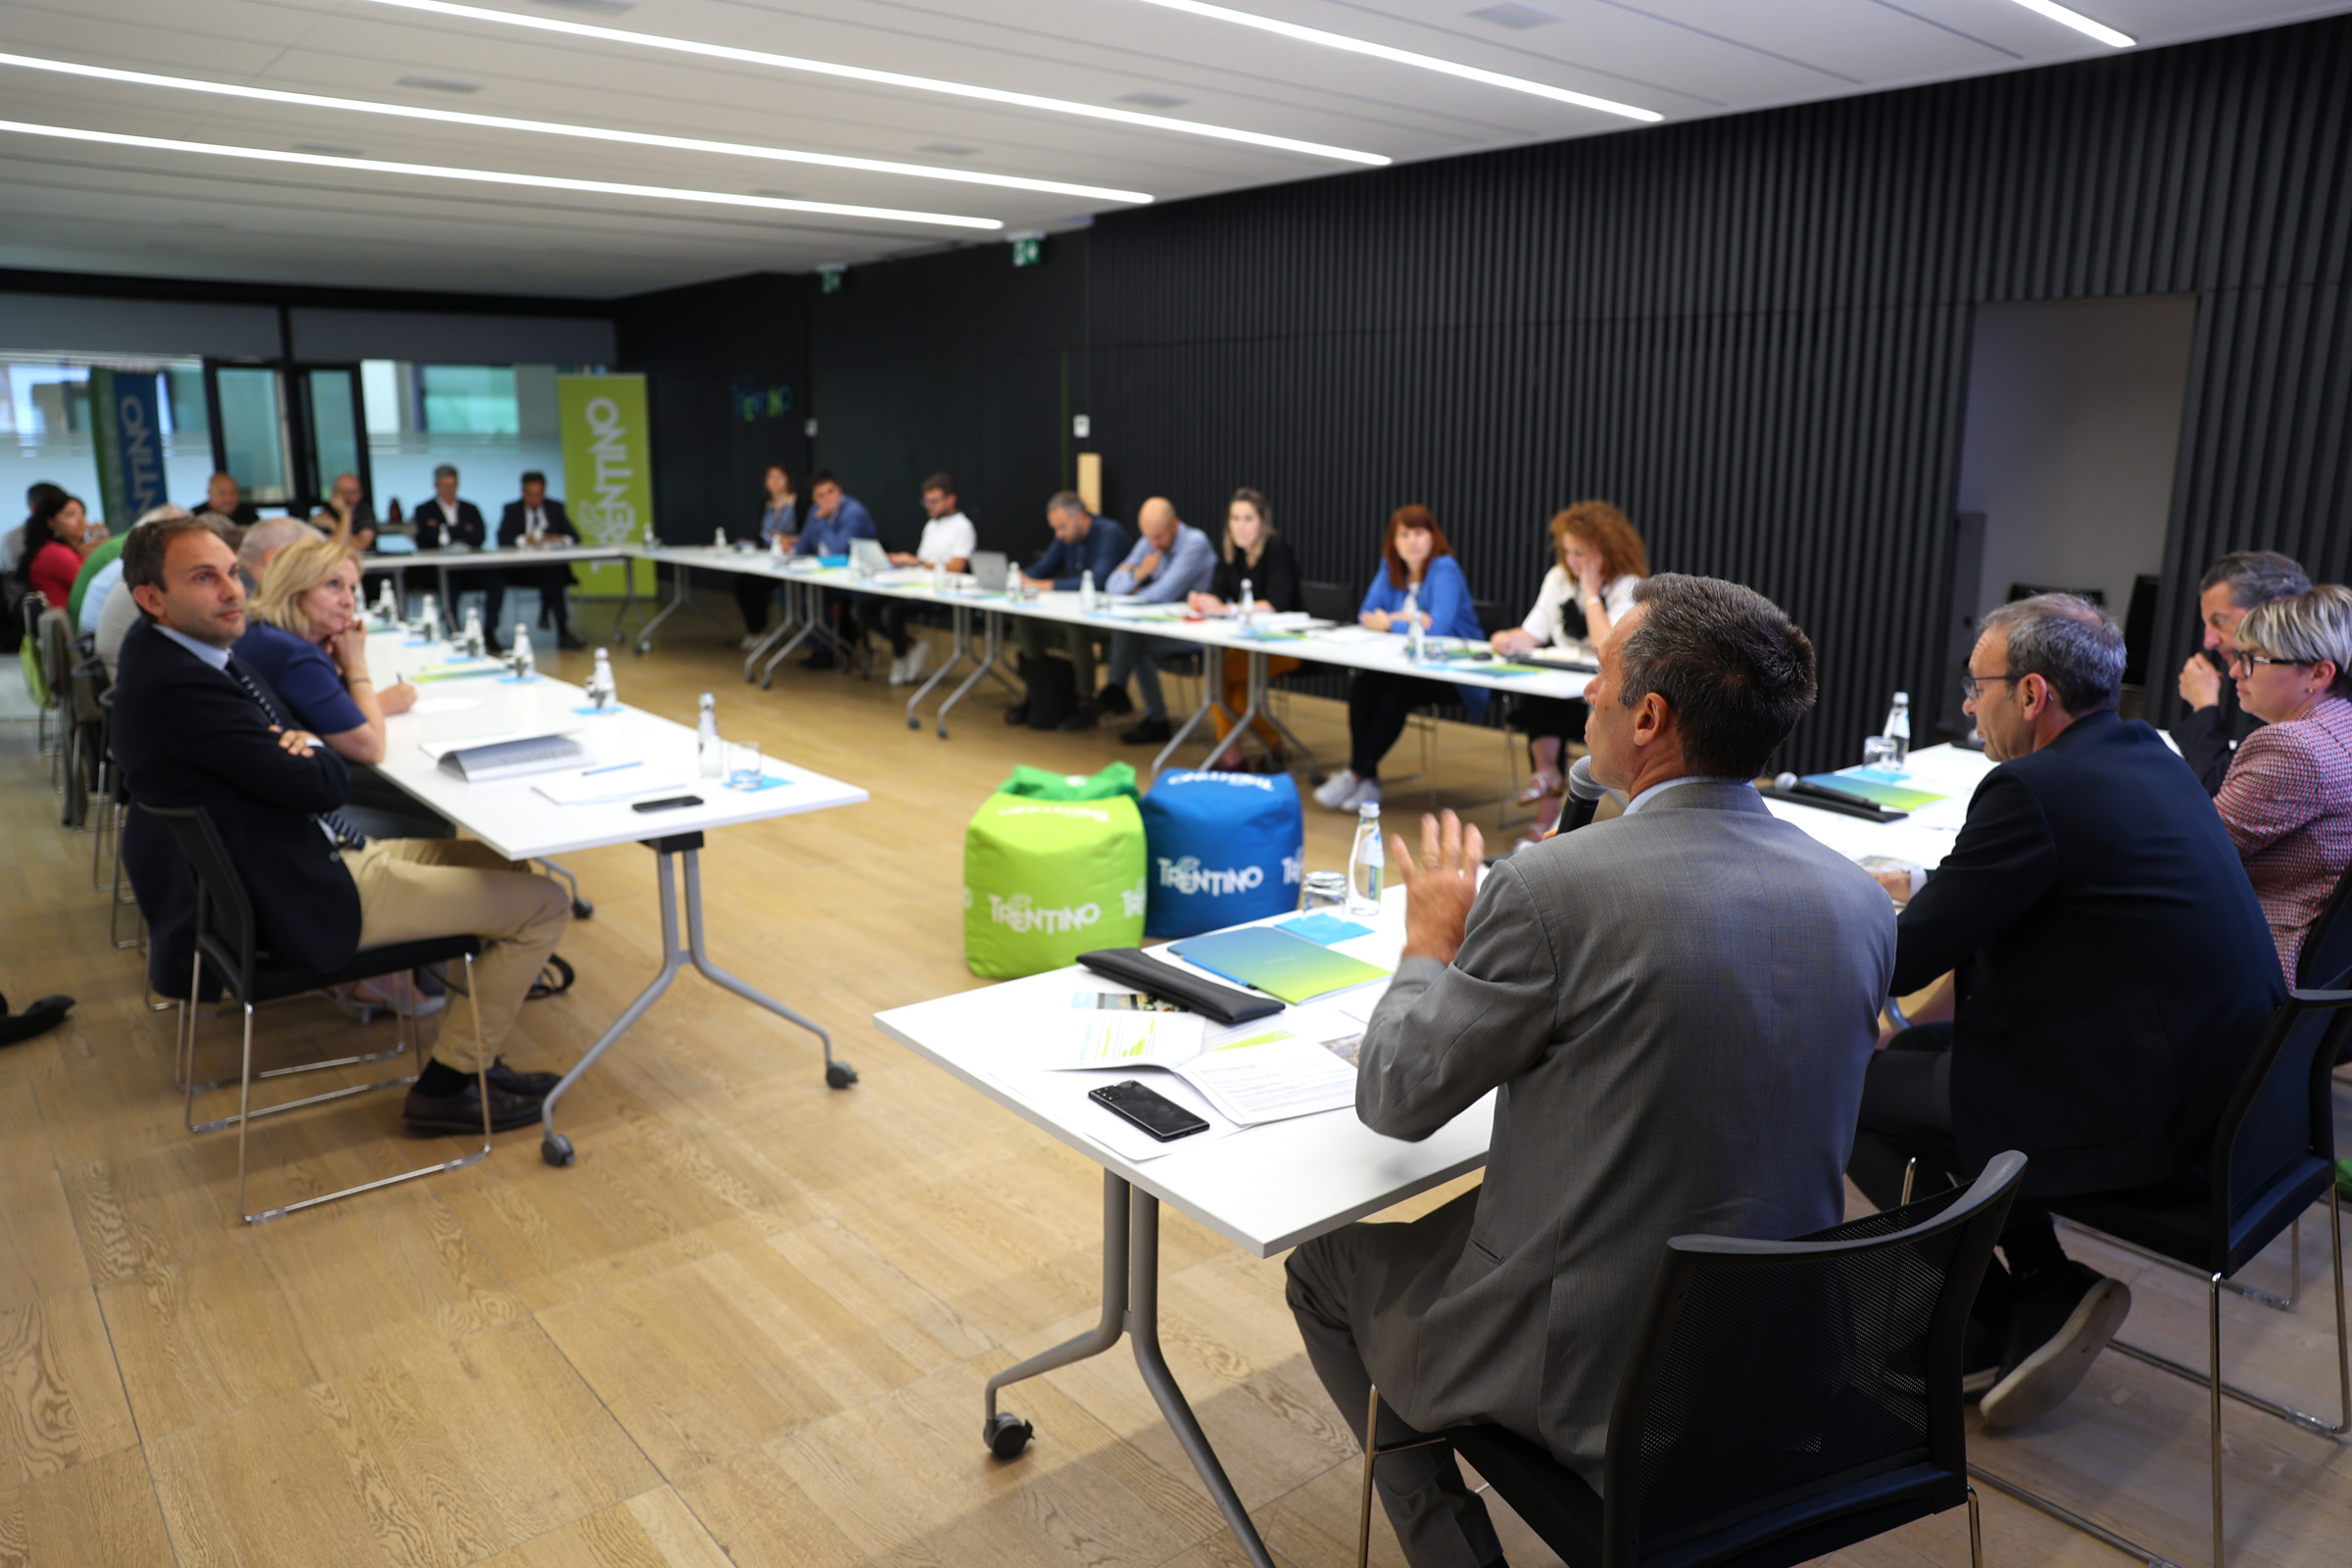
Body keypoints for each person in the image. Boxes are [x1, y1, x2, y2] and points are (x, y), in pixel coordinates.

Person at [1286, 575, 1893, 1568]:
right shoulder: (1859, 899)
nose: (1584, 692)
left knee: (1322, 1269)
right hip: (1781, 1360)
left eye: (1601, 673)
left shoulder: (1549, 891)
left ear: (1648, 717)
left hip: (1599, 1381)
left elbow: (1394, 1095)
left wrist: (1430, 943)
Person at [1848, 594, 2283, 1431]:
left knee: (1848, 1095)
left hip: (2149, 1121)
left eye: (1976, 687)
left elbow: (1906, 956)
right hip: (2232, 1103)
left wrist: (1826, 912)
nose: (1968, 706)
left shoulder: (2030, 789)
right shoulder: (2148, 754)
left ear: (2032, 693)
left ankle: (1993, 1303)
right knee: (1910, 1056)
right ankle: (2037, 1287)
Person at [111, 515, 570, 1134]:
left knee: (506, 866)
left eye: (232, 572)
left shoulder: (173, 654)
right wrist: (305, 746)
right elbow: (328, 779)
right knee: (544, 904)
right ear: (152, 598)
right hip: (302, 892)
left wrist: (299, 744)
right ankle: (449, 1087)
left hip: (299, 856)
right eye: (203, 578)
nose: (231, 590)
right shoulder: (184, 686)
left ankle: (476, 1054)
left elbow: (295, 744)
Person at [238, 536, 440, 1010]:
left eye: (352, 588)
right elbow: (368, 745)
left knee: (413, 801)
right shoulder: (295, 654)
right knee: (428, 820)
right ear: (295, 590)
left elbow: (334, 723)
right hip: (294, 823)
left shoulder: (264, 636)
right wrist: (356, 663)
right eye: (333, 585)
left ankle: (396, 964)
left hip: (263, 808)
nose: (348, 600)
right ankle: (389, 972)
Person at [2214, 584, 2352, 982]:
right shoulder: (2340, 729)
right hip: (2328, 976)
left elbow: (2200, 851)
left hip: (2262, 961)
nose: (2235, 671)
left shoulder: (2293, 746)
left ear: (2319, 673)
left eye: (2253, 658)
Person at [1312, 506, 1486, 812]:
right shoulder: (1391, 566)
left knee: (1398, 693)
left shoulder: (1444, 568)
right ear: (1393, 541)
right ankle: (1369, 780)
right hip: (1405, 664)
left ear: (1433, 536)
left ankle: (1355, 773)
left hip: (1456, 669)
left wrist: (1390, 621)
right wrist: (1409, 619)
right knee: (1363, 687)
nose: (1411, 541)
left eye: (1419, 533)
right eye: (1403, 534)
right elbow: (1367, 614)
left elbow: (1438, 628)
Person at [1492, 502, 1648, 840]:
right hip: (1560, 687)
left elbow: (1607, 646)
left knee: (1556, 704)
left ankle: (1550, 808)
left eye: (1582, 554)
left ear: (1605, 550)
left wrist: (1591, 592)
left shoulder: (1628, 585)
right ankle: (1547, 786)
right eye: (1568, 552)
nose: (1573, 562)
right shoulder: (1558, 578)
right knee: (1538, 695)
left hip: (1602, 694)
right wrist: (1506, 639)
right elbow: (1533, 631)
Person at [2175, 551, 2311, 795]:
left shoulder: (2293, 698)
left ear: (2273, 612)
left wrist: (2204, 703)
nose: (2209, 642)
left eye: (2219, 621)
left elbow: (2219, 792)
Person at [1188, 487, 1303, 770]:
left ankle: (1232, 755)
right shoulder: (1232, 554)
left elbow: (1275, 604)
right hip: (1248, 645)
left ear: (1263, 522)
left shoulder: (1276, 549)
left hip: (1286, 644)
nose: (1240, 526)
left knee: (1216, 676)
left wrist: (1227, 609)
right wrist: (1203, 600)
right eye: (1235, 518)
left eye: (1248, 519)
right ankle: (1268, 747)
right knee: (1238, 699)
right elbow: (1217, 591)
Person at [1094, 497, 1216, 741]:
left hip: (1198, 632)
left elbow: (1163, 593)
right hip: (1164, 626)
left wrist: (1135, 589)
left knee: (1134, 637)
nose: (1153, 544)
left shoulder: (1195, 543)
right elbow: (1111, 586)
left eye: (1159, 537)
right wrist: (1138, 574)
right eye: (1148, 537)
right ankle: (1147, 713)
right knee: (1133, 635)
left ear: (1175, 524)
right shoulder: (1149, 541)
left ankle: (1122, 692)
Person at [1004, 493, 1129, 726]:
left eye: (1062, 527)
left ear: (1080, 517)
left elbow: (1098, 581)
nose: (1058, 534)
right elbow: (1043, 567)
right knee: (1025, 621)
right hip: (1076, 612)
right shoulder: (1066, 538)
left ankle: (1086, 701)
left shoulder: (1109, 534)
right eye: (1055, 528)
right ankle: (1039, 691)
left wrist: (1046, 585)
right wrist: (1020, 578)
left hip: (1110, 619)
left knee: (1075, 627)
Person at [858, 471, 975, 686]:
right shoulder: (931, 525)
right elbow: (922, 561)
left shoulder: (963, 527)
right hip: (916, 586)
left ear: (951, 499)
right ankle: (910, 645)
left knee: (892, 612)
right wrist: (900, 562)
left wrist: (916, 562)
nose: (929, 506)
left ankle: (899, 656)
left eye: (934, 501)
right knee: (863, 609)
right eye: (926, 501)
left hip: (941, 592)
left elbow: (957, 567)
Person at [486, 472, 586, 651]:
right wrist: (525, 540)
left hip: (548, 569)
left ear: (544, 492)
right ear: (523, 492)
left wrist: (556, 538)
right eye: (530, 494)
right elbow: (503, 538)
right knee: (495, 578)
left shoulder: (555, 508)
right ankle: (490, 633)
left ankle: (563, 631)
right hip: (519, 570)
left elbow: (575, 537)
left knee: (555, 575)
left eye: (539, 494)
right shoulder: (512, 510)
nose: (535, 498)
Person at [790, 472, 878, 670]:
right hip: (826, 577)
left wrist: (822, 522)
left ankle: (831, 649)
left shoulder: (853, 512)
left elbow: (839, 550)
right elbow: (801, 547)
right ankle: (819, 645)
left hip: (854, 580)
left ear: (839, 490)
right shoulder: (814, 511)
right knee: (788, 593)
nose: (827, 498)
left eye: (831, 492)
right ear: (814, 499)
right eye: (821, 495)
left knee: (811, 598)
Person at [735, 464, 802, 646]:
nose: (775, 481)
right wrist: (751, 543)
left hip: (790, 559)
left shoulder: (798, 503)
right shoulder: (765, 506)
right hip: (767, 558)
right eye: (771, 477)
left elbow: (807, 534)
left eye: (780, 476)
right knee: (742, 582)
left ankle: (761, 629)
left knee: (756, 585)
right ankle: (756, 630)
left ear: (788, 479)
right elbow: (760, 534)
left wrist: (785, 539)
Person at [17, 490, 100, 610]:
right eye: (70, 515)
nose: (80, 520)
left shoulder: (67, 549)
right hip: (70, 618)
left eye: (83, 513)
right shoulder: (53, 552)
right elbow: (93, 584)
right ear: (51, 522)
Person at [412, 465, 486, 551]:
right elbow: (427, 538)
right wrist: (463, 529)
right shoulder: (424, 510)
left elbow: (479, 537)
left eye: (452, 485)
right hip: (436, 556)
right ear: (436, 485)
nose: (449, 490)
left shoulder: (470, 509)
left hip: (468, 556)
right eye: (444, 486)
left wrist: (443, 529)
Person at [235, 517, 319, 593]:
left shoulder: (238, 590)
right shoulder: (245, 600)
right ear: (273, 559)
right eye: (304, 563)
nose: (309, 576)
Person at [313, 471, 377, 552]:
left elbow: (360, 546)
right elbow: (336, 547)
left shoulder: (365, 512)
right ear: (333, 492)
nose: (347, 496)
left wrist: (336, 522)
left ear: (360, 494)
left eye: (352, 492)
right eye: (342, 491)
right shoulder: (323, 513)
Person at [190, 471, 261, 527]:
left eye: (233, 493)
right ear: (209, 493)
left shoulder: (249, 516)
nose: (228, 499)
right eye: (222, 493)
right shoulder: (194, 517)